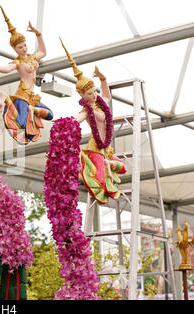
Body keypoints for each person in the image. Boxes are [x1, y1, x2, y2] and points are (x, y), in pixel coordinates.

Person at [60, 38, 126, 205]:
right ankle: (98, 167)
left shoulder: (100, 103)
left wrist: (103, 79)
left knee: (123, 167)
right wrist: (65, 125)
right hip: (95, 147)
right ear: (82, 96)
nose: (93, 95)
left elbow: (106, 96)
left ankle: (107, 164)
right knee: (100, 180)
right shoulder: (86, 110)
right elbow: (77, 120)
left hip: (106, 148)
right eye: (89, 94)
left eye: (93, 91)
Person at [0, 6, 53, 145]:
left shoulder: (32, 57)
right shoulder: (18, 62)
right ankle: (6, 99)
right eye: (20, 47)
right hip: (21, 96)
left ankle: (32, 110)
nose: (24, 49)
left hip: (32, 99)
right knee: (20, 124)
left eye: (25, 45)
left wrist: (38, 34)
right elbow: (7, 69)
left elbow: (43, 52)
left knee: (50, 115)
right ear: (15, 49)